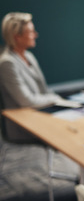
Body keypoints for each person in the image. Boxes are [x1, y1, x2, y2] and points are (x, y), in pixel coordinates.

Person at [0, 12, 64, 140]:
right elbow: (26, 101)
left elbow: (43, 90)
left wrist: (62, 102)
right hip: (23, 126)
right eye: (31, 32)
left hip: (40, 115)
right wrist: (55, 99)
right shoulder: (7, 63)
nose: (35, 35)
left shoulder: (29, 56)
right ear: (17, 37)